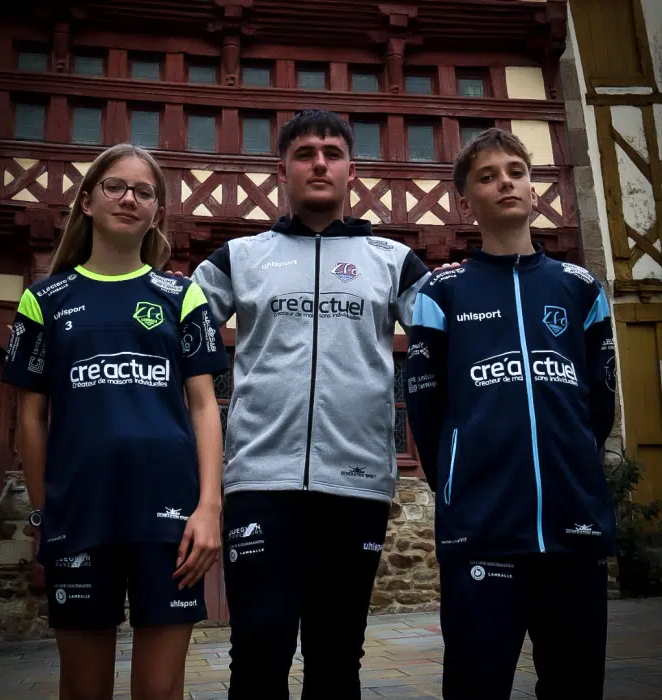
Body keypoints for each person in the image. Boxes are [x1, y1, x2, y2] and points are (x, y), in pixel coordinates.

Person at [187, 109, 432, 698]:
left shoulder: (394, 260)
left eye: (331, 153)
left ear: (352, 170)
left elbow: (455, 340)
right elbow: (172, 337)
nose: (319, 164)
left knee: (337, 658)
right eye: (304, 154)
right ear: (283, 171)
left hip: (356, 486)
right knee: (257, 652)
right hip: (259, 483)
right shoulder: (238, 258)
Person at [1, 143, 230, 700]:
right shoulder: (44, 300)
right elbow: (31, 418)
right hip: (79, 514)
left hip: (170, 518)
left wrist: (209, 508)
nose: (129, 198)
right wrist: (44, 511)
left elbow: (205, 406)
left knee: (159, 691)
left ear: (156, 213)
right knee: (83, 690)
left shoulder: (181, 296)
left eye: (144, 192)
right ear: (86, 201)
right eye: (115, 186)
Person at [405, 128, 616, 700]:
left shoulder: (580, 287)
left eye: (516, 172)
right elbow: (425, 408)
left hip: (574, 528)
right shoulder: (441, 292)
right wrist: (460, 484)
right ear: (464, 201)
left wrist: (572, 465)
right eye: (488, 176)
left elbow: (599, 405)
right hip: (482, 529)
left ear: (533, 188)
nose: (506, 182)